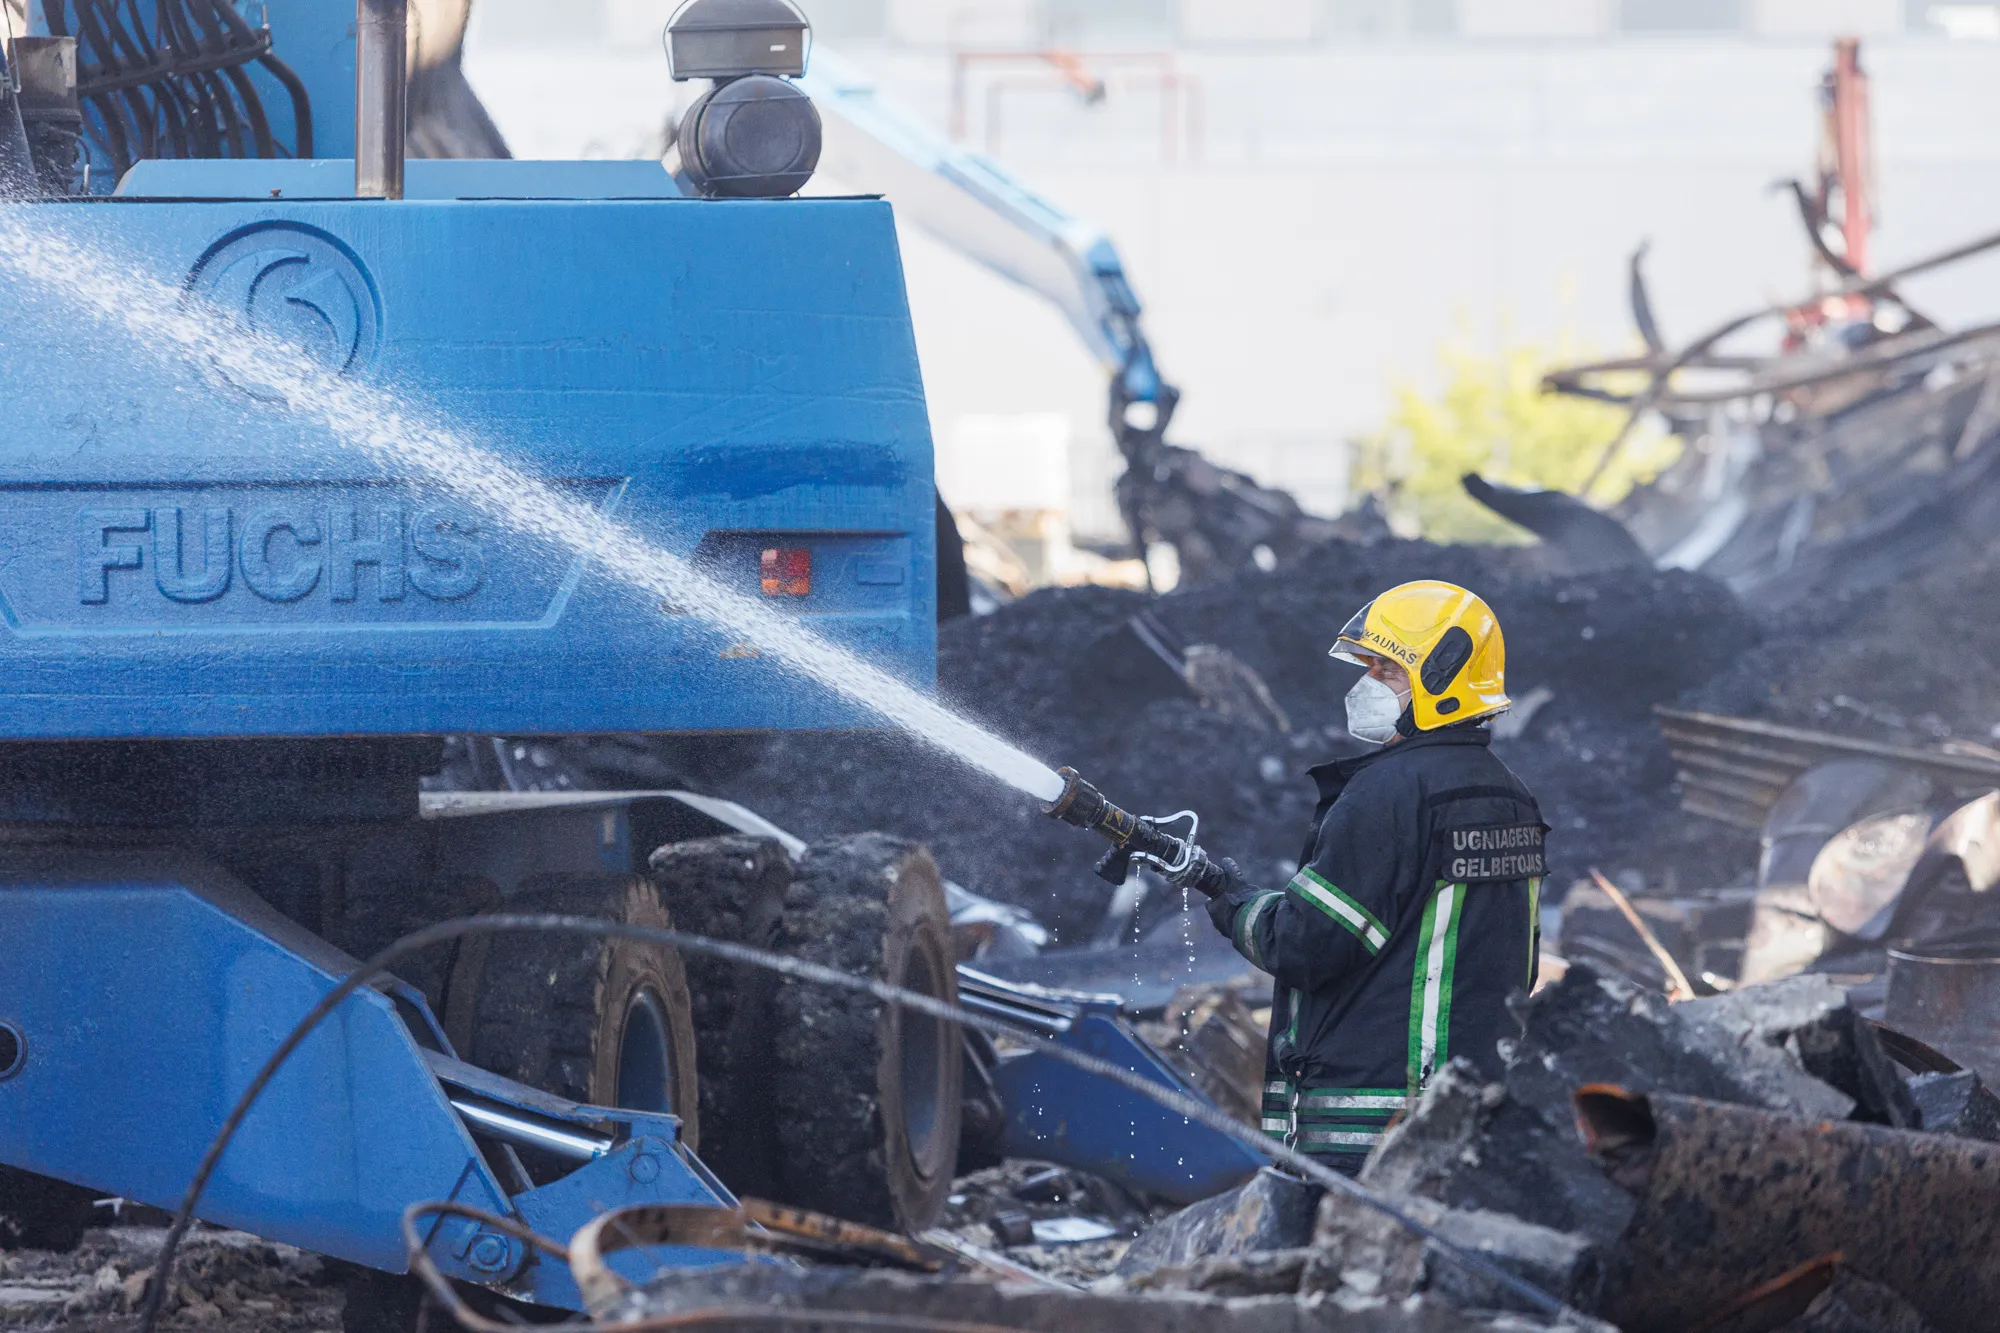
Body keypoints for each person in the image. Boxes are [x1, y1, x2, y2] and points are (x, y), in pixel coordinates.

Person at [1190, 580, 1547, 1177]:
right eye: (1369, 667)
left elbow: (1308, 945)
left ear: (1443, 679)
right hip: (1473, 1123)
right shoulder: (1510, 796)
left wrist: (1232, 902)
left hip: (1365, 1133)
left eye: (1387, 670)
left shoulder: (1385, 795)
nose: (1367, 686)